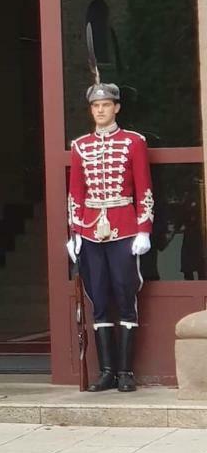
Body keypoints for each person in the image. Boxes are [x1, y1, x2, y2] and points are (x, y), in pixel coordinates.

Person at [67, 82, 153, 392]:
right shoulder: (80, 146)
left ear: (116, 107)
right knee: (99, 298)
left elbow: (143, 188)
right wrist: (75, 231)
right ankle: (106, 371)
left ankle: (126, 372)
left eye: (106, 104)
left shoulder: (133, 142)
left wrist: (144, 228)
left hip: (124, 227)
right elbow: (76, 192)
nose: (100, 110)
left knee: (125, 294)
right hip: (90, 230)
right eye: (95, 105)